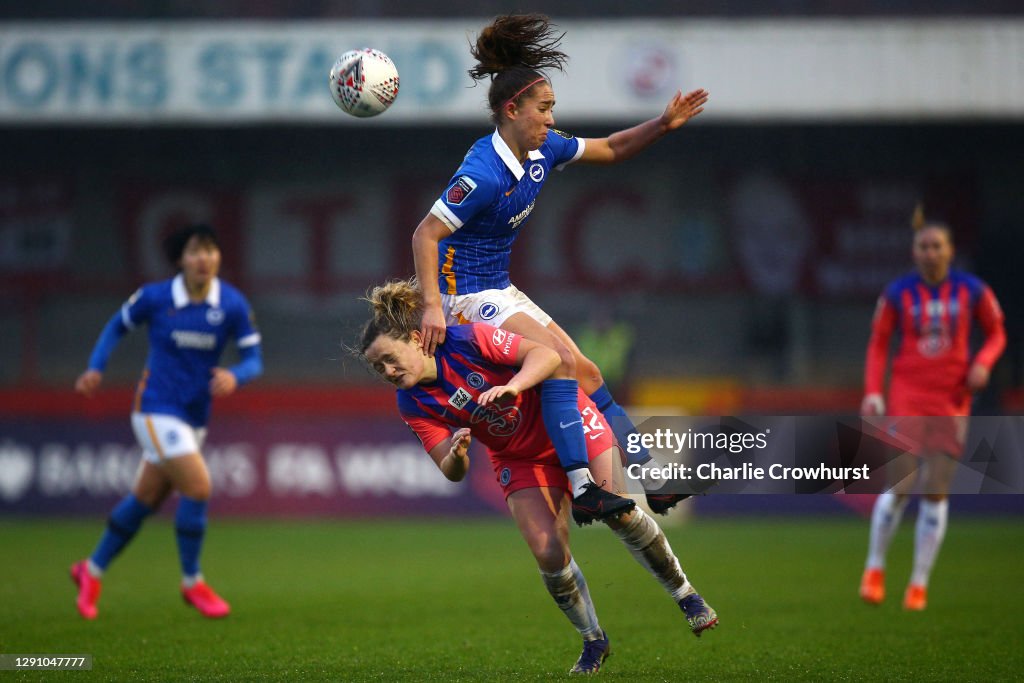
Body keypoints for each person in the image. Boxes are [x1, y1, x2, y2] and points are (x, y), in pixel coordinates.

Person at [411, 14, 709, 518]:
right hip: (467, 299)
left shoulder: (542, 149)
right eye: (544, 109)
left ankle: (651, 480)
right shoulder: (481, 174)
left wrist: (663, 124)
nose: (551, 120)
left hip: (500, 289)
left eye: (553, 109)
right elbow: (425, 233)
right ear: (512, 109)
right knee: (562, 363)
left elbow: (612, 148)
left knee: (587, 371)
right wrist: (433, 308)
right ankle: (584, 487)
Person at [355, 278, 718, 673]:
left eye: (390, 358)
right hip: (519, 457)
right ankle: (594, 640)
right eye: (378, 368)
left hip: (569, 421)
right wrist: (459, 454)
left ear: (415, 338)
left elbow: (547, 356)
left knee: (619, 512)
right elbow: (450, 469)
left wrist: (515, 386)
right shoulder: (411, 403)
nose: (388, 371)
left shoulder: (468, 339)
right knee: (548, 553)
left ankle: (686, 595)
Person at [70, 223, 263, 620]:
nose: (204, 258)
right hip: (155, 408)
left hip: (194, 416)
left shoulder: (231, 303)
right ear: (180, 259)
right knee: (198, 485)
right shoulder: (156, 297)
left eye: (211, 250)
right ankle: (192, 582)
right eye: (195, 251)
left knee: (146, 500)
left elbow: (254, 360)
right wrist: (95, 368)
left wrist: (236, 375)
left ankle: (90, 571)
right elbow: (115, 327)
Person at [858, 207, 1005, 611]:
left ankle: (918, 584)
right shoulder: (897, 293)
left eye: (936, 246)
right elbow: (878, 344)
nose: (929, 252)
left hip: (951, 399)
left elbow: (997, 333)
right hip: (907, 395)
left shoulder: (973, 291)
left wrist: (982, 363)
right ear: (914, 251)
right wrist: (874, 391)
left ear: (950, 251)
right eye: (923, 246)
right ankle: (875, 567)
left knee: (936, 491)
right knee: (900, 485)